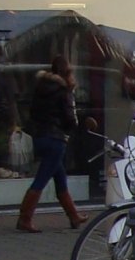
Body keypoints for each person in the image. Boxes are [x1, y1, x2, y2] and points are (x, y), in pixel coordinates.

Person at [16, 54, 86, 233]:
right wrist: (72, 128)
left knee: (60, 178)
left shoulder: (40, 88)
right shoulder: (65, 91)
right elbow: (71, 118)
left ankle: (74, 216)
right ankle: (25, 218)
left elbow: (32, 113)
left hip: (40, 137)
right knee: (40, 181)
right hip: (56, 139)